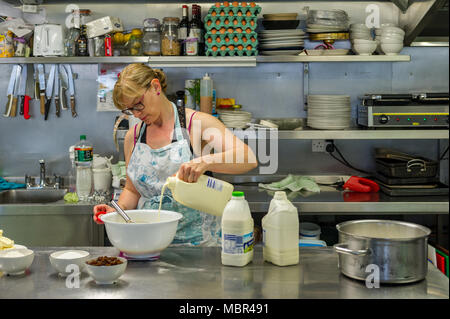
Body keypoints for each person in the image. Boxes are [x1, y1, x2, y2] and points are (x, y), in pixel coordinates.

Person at [93, 63, 258, 246]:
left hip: (198, 247)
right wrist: (118, 210)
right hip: (151, 243)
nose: (137, 114)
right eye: (130, 110)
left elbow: (248, 158)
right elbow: (132, 191)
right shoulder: (135, 136)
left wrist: (205, 161)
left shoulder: (196, 123)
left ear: (155, 87)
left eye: (138, 105)